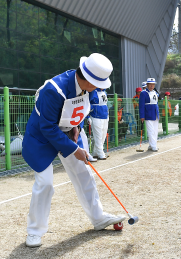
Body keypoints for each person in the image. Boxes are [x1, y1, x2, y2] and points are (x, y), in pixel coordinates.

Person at [22, 53, 125, 248]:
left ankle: (98, 217)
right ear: (86, 79)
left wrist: (77, 126)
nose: (98, 88)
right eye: (97, 83)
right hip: (41, 137)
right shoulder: (54, 90)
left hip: (69, 132)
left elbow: (82, 110)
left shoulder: (89, 90)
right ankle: (35, 231)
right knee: (45, 183)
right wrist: (73, 149)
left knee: (85, 173)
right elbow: (48, 128)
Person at [139, 78, 159, 151]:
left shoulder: (155, 92)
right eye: (150, 84)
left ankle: (151, 145)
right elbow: (141, 105)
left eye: (153, 84)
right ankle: (154, 146)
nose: (151, 86)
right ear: (147, 85)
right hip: (148, 114)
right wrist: (142, 116)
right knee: (151, 131)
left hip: (155, 113)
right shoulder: (143, 93)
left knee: (155, 130)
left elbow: (156, 103)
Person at [89, 88, 109, 160]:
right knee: (98, 135)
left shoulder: (104, 92)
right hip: (95, 116)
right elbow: (87, 103)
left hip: (105, 115)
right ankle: (101, 153)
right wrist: (88, 116)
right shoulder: (92, 91)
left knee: (103, 135)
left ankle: (95, 152)